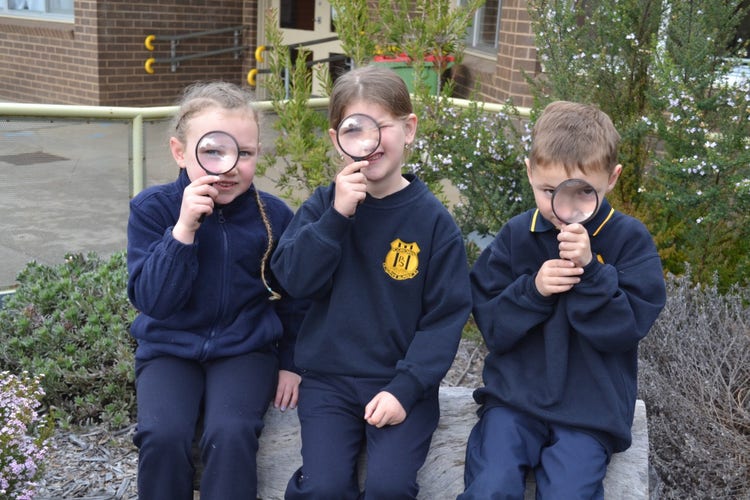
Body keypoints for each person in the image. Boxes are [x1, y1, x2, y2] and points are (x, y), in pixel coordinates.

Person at [270, 65, 473, 499]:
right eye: (354, 129)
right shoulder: (323, 207)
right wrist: (337, 218)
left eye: (381, 127)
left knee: (389, 487)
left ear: (409, 129)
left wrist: (405, 390)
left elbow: (445, 319)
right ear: (336, 140)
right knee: (322, 487)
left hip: (401, 383)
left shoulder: (433, 223)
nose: (369, 142)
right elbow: (292, 278)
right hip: (327, 381)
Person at [459, 101, 667, 499]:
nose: (564, 208)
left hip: (590, 412)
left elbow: (624, 330)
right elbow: (493, 327)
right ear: (530, 172)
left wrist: (591, 273)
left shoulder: (629, 240)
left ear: (612, 179)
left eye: (582, 192)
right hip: (514, 401)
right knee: (491, 485)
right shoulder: (517, 236)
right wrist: (532, 291)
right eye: (549, 191)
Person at [126, 81, 305, 500]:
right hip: (168, 349)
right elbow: (153, 301)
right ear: (179, 152)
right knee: (162, 434)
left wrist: (292, 362)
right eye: (212, 151)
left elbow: (297, 297)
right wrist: (183, 229)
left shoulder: (274, 216)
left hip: (244, 350)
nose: (230, 166)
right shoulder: (153, 210)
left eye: (245, 153)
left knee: (231, 432)